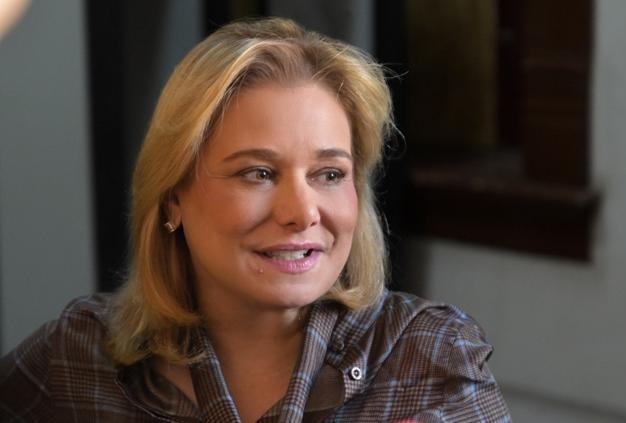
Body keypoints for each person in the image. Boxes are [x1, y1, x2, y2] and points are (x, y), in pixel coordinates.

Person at [0, 17, 511, 422]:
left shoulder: (430, 356)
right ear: (173, 198)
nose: (302, 212)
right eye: (258, 173)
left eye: (330, 174)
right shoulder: (78, 356)